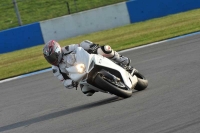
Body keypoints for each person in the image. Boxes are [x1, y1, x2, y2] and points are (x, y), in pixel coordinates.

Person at [43, 40, 133, 96]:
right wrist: (72, 83)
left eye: (53, 57)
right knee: (86, 91)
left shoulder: (66, 49)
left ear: (58, 51)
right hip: (80, 76)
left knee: (105, 49)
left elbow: (80, 46)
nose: (52, 60)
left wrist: (91, 47)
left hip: (86, 61)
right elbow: (64, 81)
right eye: (49, 59)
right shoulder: (55, 69)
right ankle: (107, 87)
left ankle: (121, 59)